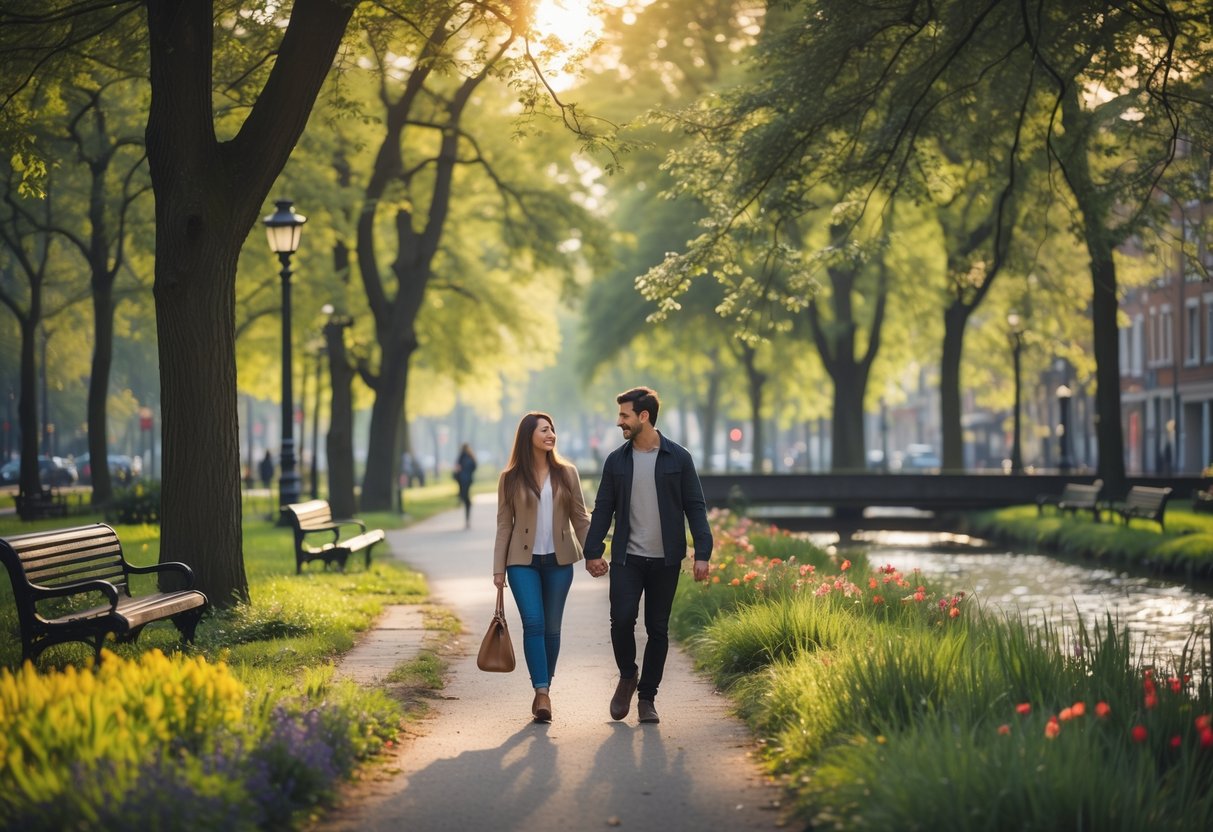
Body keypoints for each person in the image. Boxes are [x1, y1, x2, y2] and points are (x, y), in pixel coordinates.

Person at [583, 387, 712, 725]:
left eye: (624, 416)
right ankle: (628, 675)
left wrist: (703, 552)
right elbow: (603, 509)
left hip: (666, 560)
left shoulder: (678, 458)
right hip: (628, 557)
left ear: (644, 416)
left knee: (658, 628)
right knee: (622, 619)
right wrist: (592, 550)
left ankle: (647, 698)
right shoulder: (616, 461)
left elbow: (695, 506)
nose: (619, 422)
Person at [494, 412, 594, 723]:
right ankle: (541, 692)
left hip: (559, 562)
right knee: (534, 623)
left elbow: (580, 518)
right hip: (521, 563)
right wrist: (498, 570)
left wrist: (593, 554)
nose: (551, 435)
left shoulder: (567, 473)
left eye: (552, 429)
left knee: (552, 628)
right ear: (529, 437)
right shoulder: (510, 478)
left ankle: (544, 689)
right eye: (544, 430)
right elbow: (503, 525)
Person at [454, 443, 478, 529]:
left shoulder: (461, 457)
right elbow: (475, 467)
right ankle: (465, 502)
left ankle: (463, 499)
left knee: (465, 496)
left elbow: (457, 467)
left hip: (462, 480)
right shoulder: (470, 457)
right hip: (467, 480)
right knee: (466, 497)